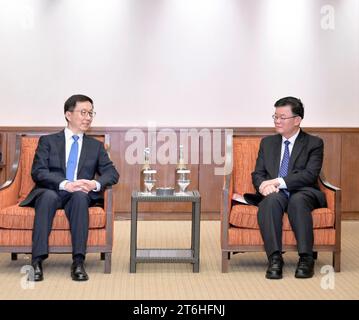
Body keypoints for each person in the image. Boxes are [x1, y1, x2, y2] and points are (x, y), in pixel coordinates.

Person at [20, 94, 119, 282]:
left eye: (91, 113)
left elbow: (112, 173)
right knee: (48, 198)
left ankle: (78, 262)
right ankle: (37, 261)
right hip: (52, 190)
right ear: (68, 114)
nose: (88, 117)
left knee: (81, 197)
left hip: (79, 194)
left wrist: (94, 184)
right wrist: (66, 184)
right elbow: (38, 172)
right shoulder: (48, 141)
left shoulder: (95, 146)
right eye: (83, 112)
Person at [251, 96, 326, 279]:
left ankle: (306, 258)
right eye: (275, 116)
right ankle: (275, 258)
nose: (277, 121)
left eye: (282, 117)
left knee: (297, 201)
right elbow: (258, 173)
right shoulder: (267, 143)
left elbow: (309, 175)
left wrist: (277, 181)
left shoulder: (314, 143)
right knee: (270, 202)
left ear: (297, 120)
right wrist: (263, 187)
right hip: (275, 193)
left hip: (304, 191)